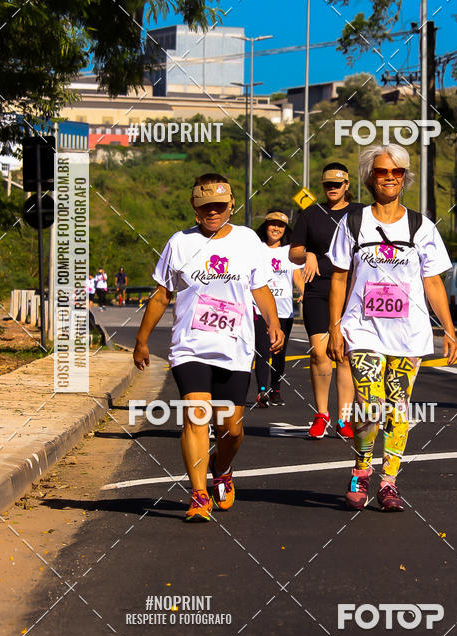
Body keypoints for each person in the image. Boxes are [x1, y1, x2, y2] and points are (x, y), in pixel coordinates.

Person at [133, 174, 284, 522]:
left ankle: (222, 466)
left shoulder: (247, 241)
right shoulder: (179, 243)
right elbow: (161, 295)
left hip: (235, 347)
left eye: (219, 207)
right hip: (191, 346)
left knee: (231, 429)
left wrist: (273, 323)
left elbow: (260, 288)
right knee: (196, 417)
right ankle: (199, 494)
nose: (212, 213)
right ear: (194, 208)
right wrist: (141, 341)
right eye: (205, 208)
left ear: (231, 205)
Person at [327, 144, 457, 511]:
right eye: (383, 171)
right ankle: (362, 469)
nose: (390, 177)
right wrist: (335, 328)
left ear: (404, 178)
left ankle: (388, 483)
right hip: (363, 328)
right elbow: (339, 278)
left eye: (397, 172)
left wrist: (448, 328)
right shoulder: (353, 222)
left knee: (397, 408)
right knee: (370, 406)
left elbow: (433, 282)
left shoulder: (421, 226)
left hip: (409, 332)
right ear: (370, 177)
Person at [290, 163, 362, 439]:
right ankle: (321, 414)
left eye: (337, 184)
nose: (332, 188)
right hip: (318, 288)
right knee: (319, 352)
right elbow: (294, 252)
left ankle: (344, 418)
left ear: (347, 185)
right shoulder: (311, 213)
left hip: (350, 288)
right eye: (327, 185)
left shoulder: (360, 213)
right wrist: (306, 256)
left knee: (343, 355)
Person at [254, 211, 304, 407]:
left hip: (283, 309)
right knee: (263, 349)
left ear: (285, 230)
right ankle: (262, 391)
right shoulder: (256, 248)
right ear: (265, 226)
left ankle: (276, 389)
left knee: (279, 352)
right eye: (272, 224)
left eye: (280, 226)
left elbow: (297, 276)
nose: (276, 228)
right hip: (260, 308)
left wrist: (304, 291)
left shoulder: (289, 251)